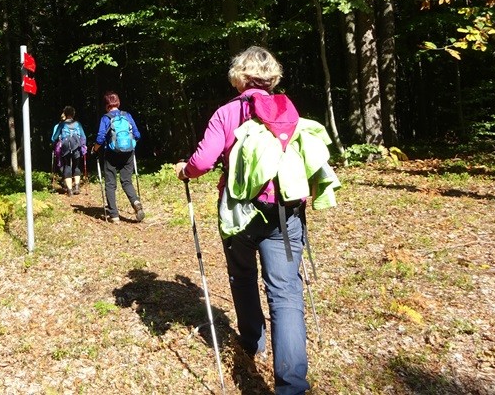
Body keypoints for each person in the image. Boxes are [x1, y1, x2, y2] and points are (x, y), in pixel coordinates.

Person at [174, 46, 339, 395]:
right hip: (285, 211)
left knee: (242, 276)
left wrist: (184, 171)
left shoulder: (226, 112)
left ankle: (252, 341)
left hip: (239, 213)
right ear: (271, 76)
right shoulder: (287, 111)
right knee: (286, 293)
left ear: (239, 76)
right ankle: (292, 385)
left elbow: (202, 162)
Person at [92, 91, 144, 223]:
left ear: (106, 105)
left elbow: (100, 137)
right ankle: (136, 202)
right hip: (128, 153)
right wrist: (129, 145)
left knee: (110, 184)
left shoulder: (106, 118)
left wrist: (95, 149)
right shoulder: (127, 115)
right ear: (118, 103)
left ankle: (114, 215)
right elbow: (137, 135)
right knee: (127, 181)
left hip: (111, 154)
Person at [51, 106, 87, 196]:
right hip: (76, 146)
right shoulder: (78, 124)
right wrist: (83, 145)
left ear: (65, 114)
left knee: (67, 166)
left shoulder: (62, 124)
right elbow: (83, 137)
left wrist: (55, 142)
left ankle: (70, 190)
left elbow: (54, 137)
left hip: (65, 146)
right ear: (73, 114)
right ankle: (77, 187)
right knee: (77, 166)